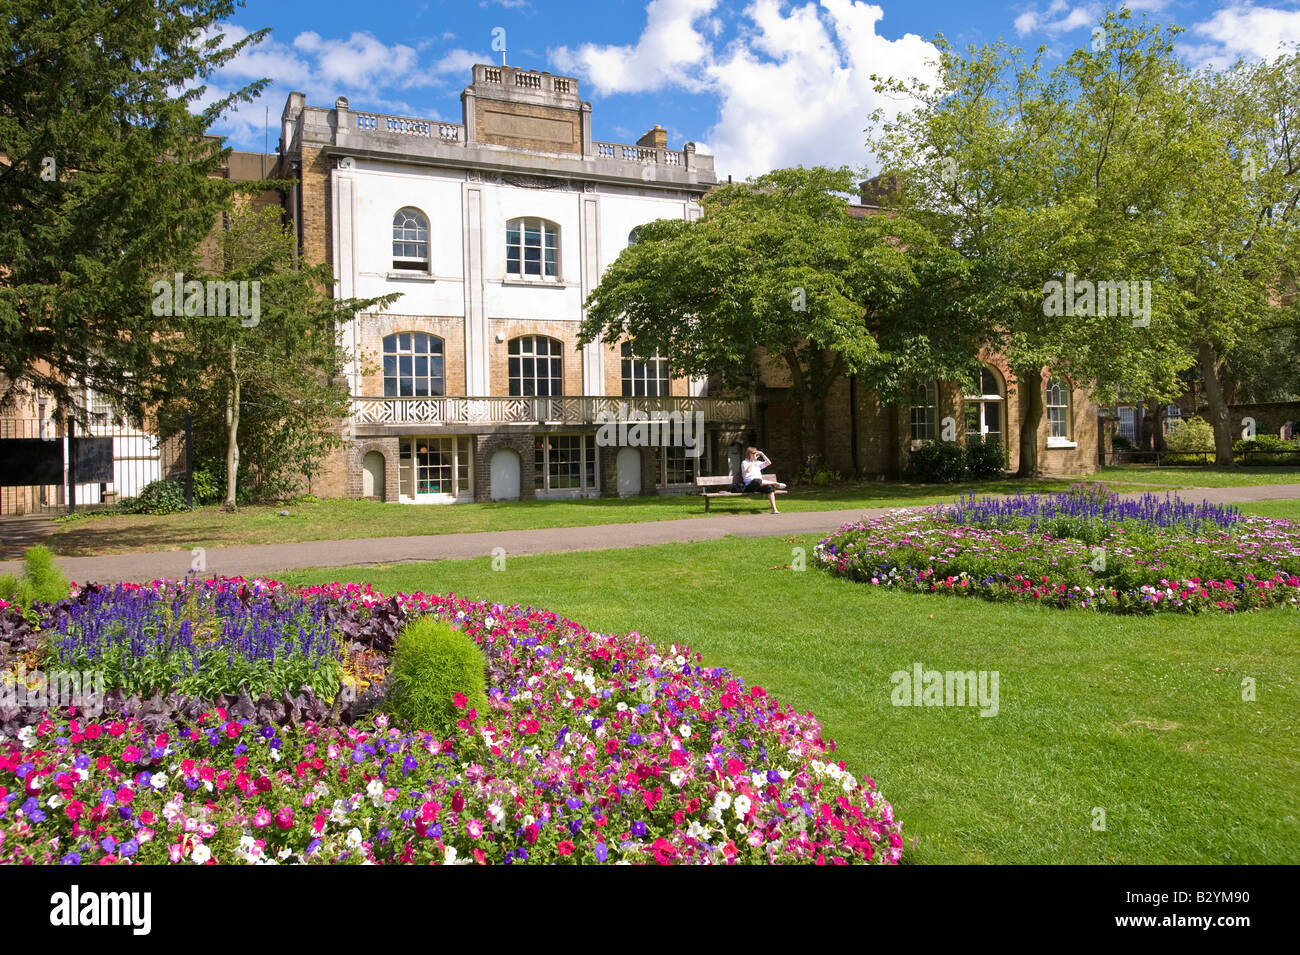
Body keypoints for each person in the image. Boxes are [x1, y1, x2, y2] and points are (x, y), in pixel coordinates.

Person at [737, 446, 784, 514]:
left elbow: (769, 463)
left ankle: (774, 509)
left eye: (756, 453)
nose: (756, 455)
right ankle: (776, 483)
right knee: (757, 480)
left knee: (769, 488)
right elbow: (748, 471)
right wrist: (752, 461)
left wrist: (762, 454)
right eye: (754, 453)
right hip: (749, 486)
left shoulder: (758, 462)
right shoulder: (744, 462)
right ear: (749, 454)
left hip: (759, 485)